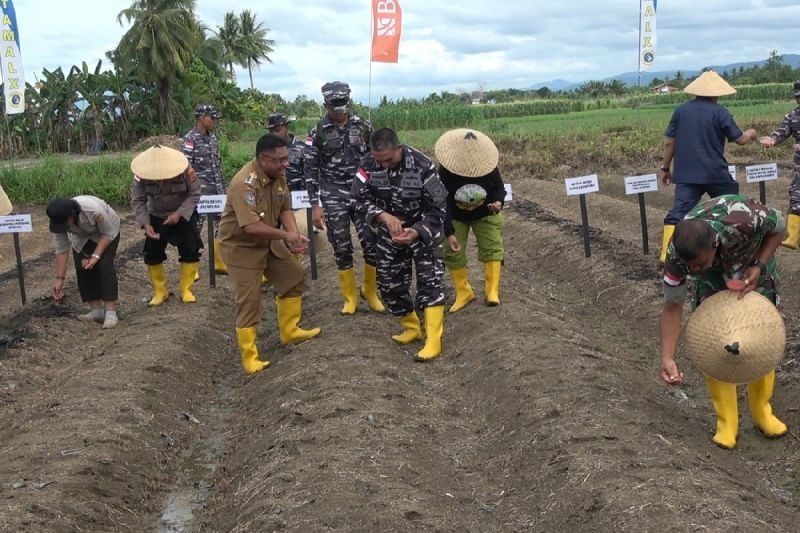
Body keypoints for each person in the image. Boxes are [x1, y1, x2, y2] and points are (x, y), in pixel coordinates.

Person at [659, 194, 788, 449]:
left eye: (699, 264)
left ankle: (762, 412)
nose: (693, 270)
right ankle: (727, 422)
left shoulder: (742, 219)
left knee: (760, 338)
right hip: (715, 281)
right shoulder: (677, 257)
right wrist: (667, 357)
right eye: (689, 267)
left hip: (752, 268)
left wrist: (759, 265)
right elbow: (672, 307)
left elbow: (780, 227)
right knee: (715, 341)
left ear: (714, 245)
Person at [219, 133, 321, 374]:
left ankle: (290, 331)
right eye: (280, 160)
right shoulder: (245, 183)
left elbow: (285, 206)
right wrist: (286, 236)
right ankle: (250, 357)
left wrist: (294, 234)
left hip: (269, 239)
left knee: (294, 277)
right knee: (249, 300)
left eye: (286, 158)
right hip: (241, 247)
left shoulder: (279, 175)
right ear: (264, 159)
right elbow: (251, 227)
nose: (286, 163)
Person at [352, 128, 448, 360]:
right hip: (389, 233)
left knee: (431, 284)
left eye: (389, 159)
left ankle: (433, 341)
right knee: (390, 286)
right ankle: (411, 328)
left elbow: (439, 208)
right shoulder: (367, 165)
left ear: (398, 148)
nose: (384, 166)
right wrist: (384, 217)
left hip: (423, 231)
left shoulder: (423, 165)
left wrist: (415, 231)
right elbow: (357, 199)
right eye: (379, 161)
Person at [659, 70, 758, 263]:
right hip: (715, 172)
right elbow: (740, 140)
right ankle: (735, 250)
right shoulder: (720, 112)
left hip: (686, 174)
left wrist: (665, 168)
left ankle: (667, 254)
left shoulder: (680, 111)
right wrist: (752, 133)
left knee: (678, 212)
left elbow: (670, 143)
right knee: (732, 205)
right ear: (716, 93)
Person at [304, 81, 384, 314]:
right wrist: (314, 205)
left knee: (371, 241)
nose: (339, 110)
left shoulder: (364, 126)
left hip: (362, 193)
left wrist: (380, 193)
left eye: (342, 104)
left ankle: (369, 290)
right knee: (341, 246)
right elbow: (310, 169)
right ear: (326, 105)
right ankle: (349, 298)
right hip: (332, 194)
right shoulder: (317, 132)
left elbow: (377, 161)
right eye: (334, 105)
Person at [434, 129, 506, 311]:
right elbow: (441, 200)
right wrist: (448, 230)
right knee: (452, 251)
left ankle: (492, 291)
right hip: (456, 216)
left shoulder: (488, 166)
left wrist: (498, 202)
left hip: (485, 213)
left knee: (492, 248)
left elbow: (499, 187)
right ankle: (464, 292)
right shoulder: (445, 170)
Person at [130, 145, 202, 306]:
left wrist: (178, 214)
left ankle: (186, 289)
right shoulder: (140, 176)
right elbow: (138, 200)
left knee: (191, 249)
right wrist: (146, 224)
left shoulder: (186, 170)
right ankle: (160, 292)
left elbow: (195, 193)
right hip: (156, 215)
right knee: (152, 253)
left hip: (183, 213)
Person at [46, 197, 121, 328]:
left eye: (65, 223)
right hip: (81, 238)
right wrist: (59, 279)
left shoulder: (93, 211)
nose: (64, 227)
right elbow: (62, 249)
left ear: (72, 215)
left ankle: (110, 311)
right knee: (82, 267)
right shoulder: (58, 219)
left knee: (104, 265)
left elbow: (108, 233)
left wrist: (96, 256)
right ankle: (96, 311)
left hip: (107, 232)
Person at [183, 103, 227, 274]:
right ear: (201, 118)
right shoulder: (190, 139)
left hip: (216, 190)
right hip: (199, 193)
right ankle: (191, 267)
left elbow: (218, 164)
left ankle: (219, 262)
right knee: (195, 230)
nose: (215, 121)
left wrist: (223, 187)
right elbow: (186, 166)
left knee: (222, 226)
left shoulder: (213, 138)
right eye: (212, 117)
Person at [759, 80, 800, 248]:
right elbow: (783, 130)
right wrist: (773, 139)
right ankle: (792, 237)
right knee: (797, 196)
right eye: (797, 97)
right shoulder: (793, 115)